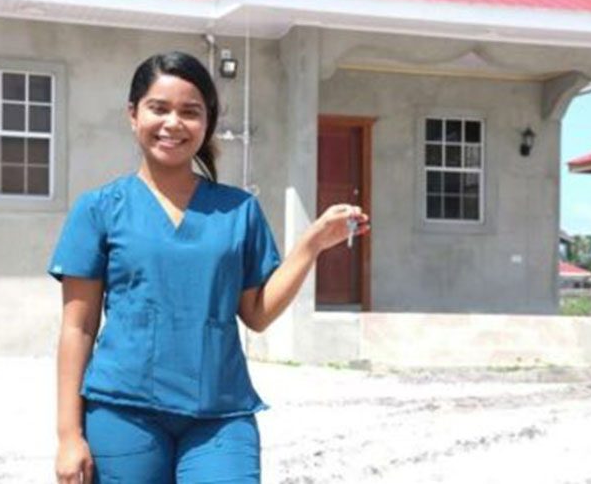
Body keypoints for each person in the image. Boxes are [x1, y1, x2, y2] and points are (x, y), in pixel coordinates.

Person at [49, 51, 369, 484]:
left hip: (220, 414)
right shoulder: (99, 209)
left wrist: (311, 245)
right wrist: (69, 435)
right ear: (133, 114)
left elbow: (256, 314)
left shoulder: (239, 211)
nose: (173, 123)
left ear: (208, 122)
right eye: (158, 108)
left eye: (190, 112)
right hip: (124, 411)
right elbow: (78, 328)